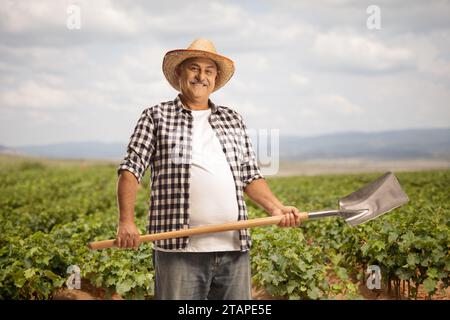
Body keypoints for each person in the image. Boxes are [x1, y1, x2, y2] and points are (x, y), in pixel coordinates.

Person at [116, 38, 302, 300]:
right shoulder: (156, 116)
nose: (201, 76)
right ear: (180, 72)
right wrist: (126, 221)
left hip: (233, 249)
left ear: (215, 78)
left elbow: (249, 173)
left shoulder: (232, 118)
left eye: (208, 70)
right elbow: (131, 169)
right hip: (179, 250)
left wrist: (276, 208)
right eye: (194, 68)